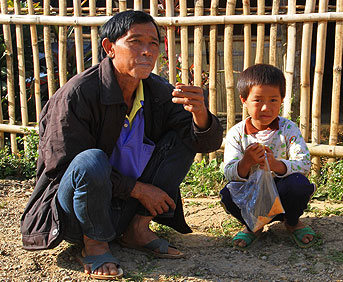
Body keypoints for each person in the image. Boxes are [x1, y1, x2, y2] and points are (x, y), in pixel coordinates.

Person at [20, 10, 223, 279]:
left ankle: (137, 229)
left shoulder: (158, 91)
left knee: (185, 136)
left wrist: (200, 115)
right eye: (135, 41)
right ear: (109, 48)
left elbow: (203, 142)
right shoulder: (78, 94)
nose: (147, 51)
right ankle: (94, 244)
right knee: (90, 160)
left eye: (153, 43)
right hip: (74, 215)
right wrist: (138, 190)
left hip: (122, 209)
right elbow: (65, 167)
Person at [220, 64, 317, 249]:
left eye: (273, 100)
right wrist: (246, 162)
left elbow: (304, 164)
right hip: (252, 196)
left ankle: (292, 222)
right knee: (228, 193)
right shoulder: (237, 134)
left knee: (298, 184)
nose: (266, 107)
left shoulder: (288, 129)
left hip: (283, 196)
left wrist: (276, 165)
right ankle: (253, 226)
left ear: (282, 99)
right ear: (244, 100)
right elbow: (229, 172)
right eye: (257, 100)